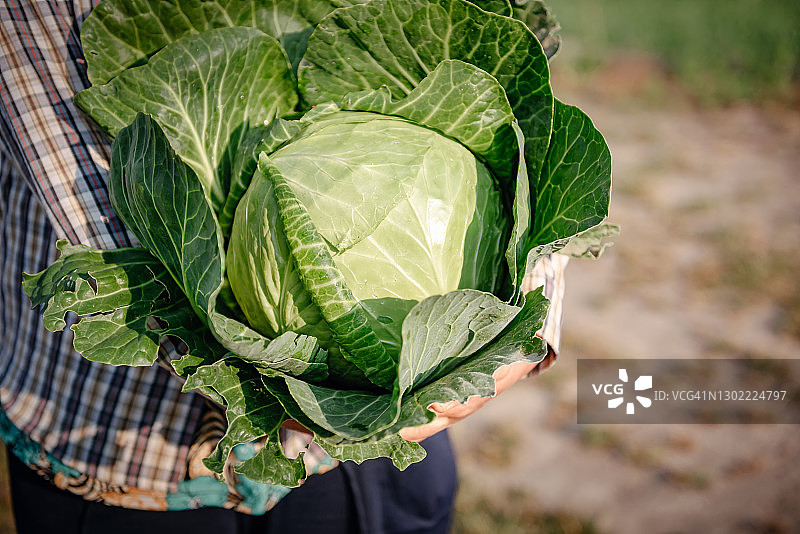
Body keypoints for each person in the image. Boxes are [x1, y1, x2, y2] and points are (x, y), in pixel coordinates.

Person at [0, 2, 567, 532]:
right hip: (120, 449)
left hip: (369, 461)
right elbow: (39, 68)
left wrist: (518, 324)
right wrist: (242, 363)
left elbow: (526, 138)